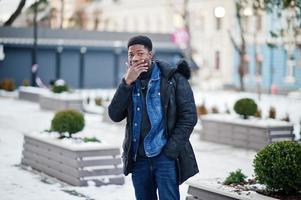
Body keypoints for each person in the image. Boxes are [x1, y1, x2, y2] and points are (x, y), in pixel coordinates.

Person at [108, 35, 198, 200]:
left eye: (141, 53)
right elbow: (114, 115)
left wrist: (170, 152)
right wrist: (126, 83)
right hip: (138, 159)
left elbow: (189, 117)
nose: (135, 58)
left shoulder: (173, 78)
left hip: (165, 158)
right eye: (131, 54)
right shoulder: (129, 82)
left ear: (151, 55)